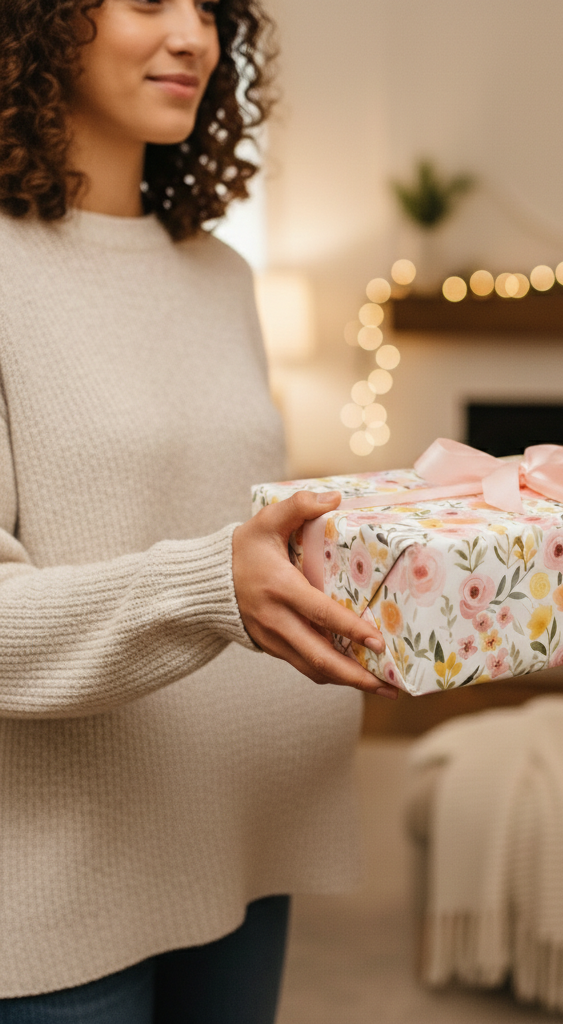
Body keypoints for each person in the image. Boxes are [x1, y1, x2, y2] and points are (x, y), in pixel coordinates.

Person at [0, 0, 397, 1019]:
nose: (193, 36)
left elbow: (243, 534)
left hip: (244, 828)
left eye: (211, 8)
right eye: (147, 0)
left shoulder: (223, 276)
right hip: (57, 876)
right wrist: (213, 580)